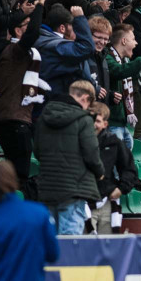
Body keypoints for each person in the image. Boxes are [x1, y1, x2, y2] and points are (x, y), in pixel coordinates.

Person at [0, 0, 48, 189]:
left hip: (13, 119)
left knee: (16, 175)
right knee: (20, 177)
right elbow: (33, 34)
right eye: (26, 24)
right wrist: (41, 2)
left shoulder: (17, 53)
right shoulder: (15, 51)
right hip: (13, 121)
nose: (32, 27)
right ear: (17, 30)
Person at [33, 80, 103, 234]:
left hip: (48, 188)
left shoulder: (44, 117)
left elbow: (37, 151)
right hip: (73, 189)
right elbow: (91, 154)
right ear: (85, 98)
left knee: (52, 240)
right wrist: (100, 172)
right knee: (71, 241)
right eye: (90, 104)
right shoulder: (84, 120)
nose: (88, 109)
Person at [88, 101, 136, 234]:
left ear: (105, 124)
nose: (93, 125)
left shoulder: (114, 142)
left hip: (108, 201)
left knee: (107, 246)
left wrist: (121, 189)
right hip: (84, 201)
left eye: (97, 121)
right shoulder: (78, 140)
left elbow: (129, 169)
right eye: (90, 119)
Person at [35, 4, 95, 94]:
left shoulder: (43, 39)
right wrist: (79, 18)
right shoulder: (55, 45)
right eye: (74, 27)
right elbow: (87, 48)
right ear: (62, 28)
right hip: (53, 99)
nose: (76, 33)